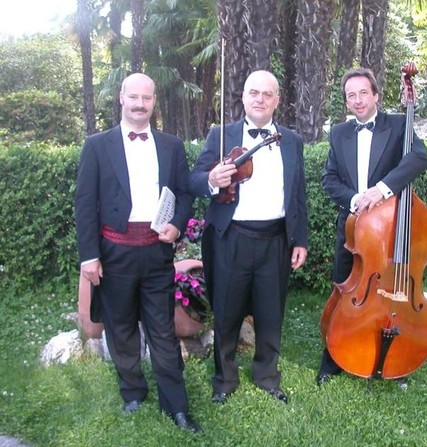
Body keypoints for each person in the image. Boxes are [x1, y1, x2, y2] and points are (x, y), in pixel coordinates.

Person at [75, 73, 202, 434]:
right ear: (121, 98)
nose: (139, 104)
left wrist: (177, 224)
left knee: (162, 330)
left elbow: (184, 193)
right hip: (114, 251)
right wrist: (89, 256)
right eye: (133, 97)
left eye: (146, 98)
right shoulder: (97, 146)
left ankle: (176, 406)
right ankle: (132, 390)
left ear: (154, 101)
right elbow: (85, 203)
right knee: (121, 327)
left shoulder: (171, 145)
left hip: (156, 252)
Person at [188, 70, 308, 405]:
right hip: (232, 239)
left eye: (268, 94)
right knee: (227, 311)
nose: (260, 99)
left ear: (277, 100)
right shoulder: (221, 135)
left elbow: (297, 194)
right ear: (243, 97)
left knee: (271, 312)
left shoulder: (292, 140)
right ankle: (225, 379)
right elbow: (194, 180)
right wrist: (212, 179)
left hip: (276, 239)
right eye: (254, 92)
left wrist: (300, 239)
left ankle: (267, 376)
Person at [316, 67, 427, 385]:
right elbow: (329, 179)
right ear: (346, 101)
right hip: (352, 228)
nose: (357, 100)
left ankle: (396, 358)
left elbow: (419, 158)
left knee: (391, 291)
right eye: (351, 95)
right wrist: (355, 200)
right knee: (344, 289)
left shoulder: (398, 125)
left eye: (363, 93)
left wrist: (381, 190)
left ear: (376, 95)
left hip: (390, 228)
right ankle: (333, 358)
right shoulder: (339, 133)